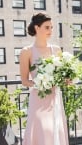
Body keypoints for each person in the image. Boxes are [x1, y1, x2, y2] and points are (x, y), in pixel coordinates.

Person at [20, 13, 69, 145]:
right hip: (38, 99)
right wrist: (40, 84)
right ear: (37, 27)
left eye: (52, 27)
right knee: (41, 131)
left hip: (54, 98)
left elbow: (61, 75)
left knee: (54, 132)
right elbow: (24, 80)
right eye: (47, 27)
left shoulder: (56, 50)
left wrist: (67, 80)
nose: (50, 31)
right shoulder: (26, 52)